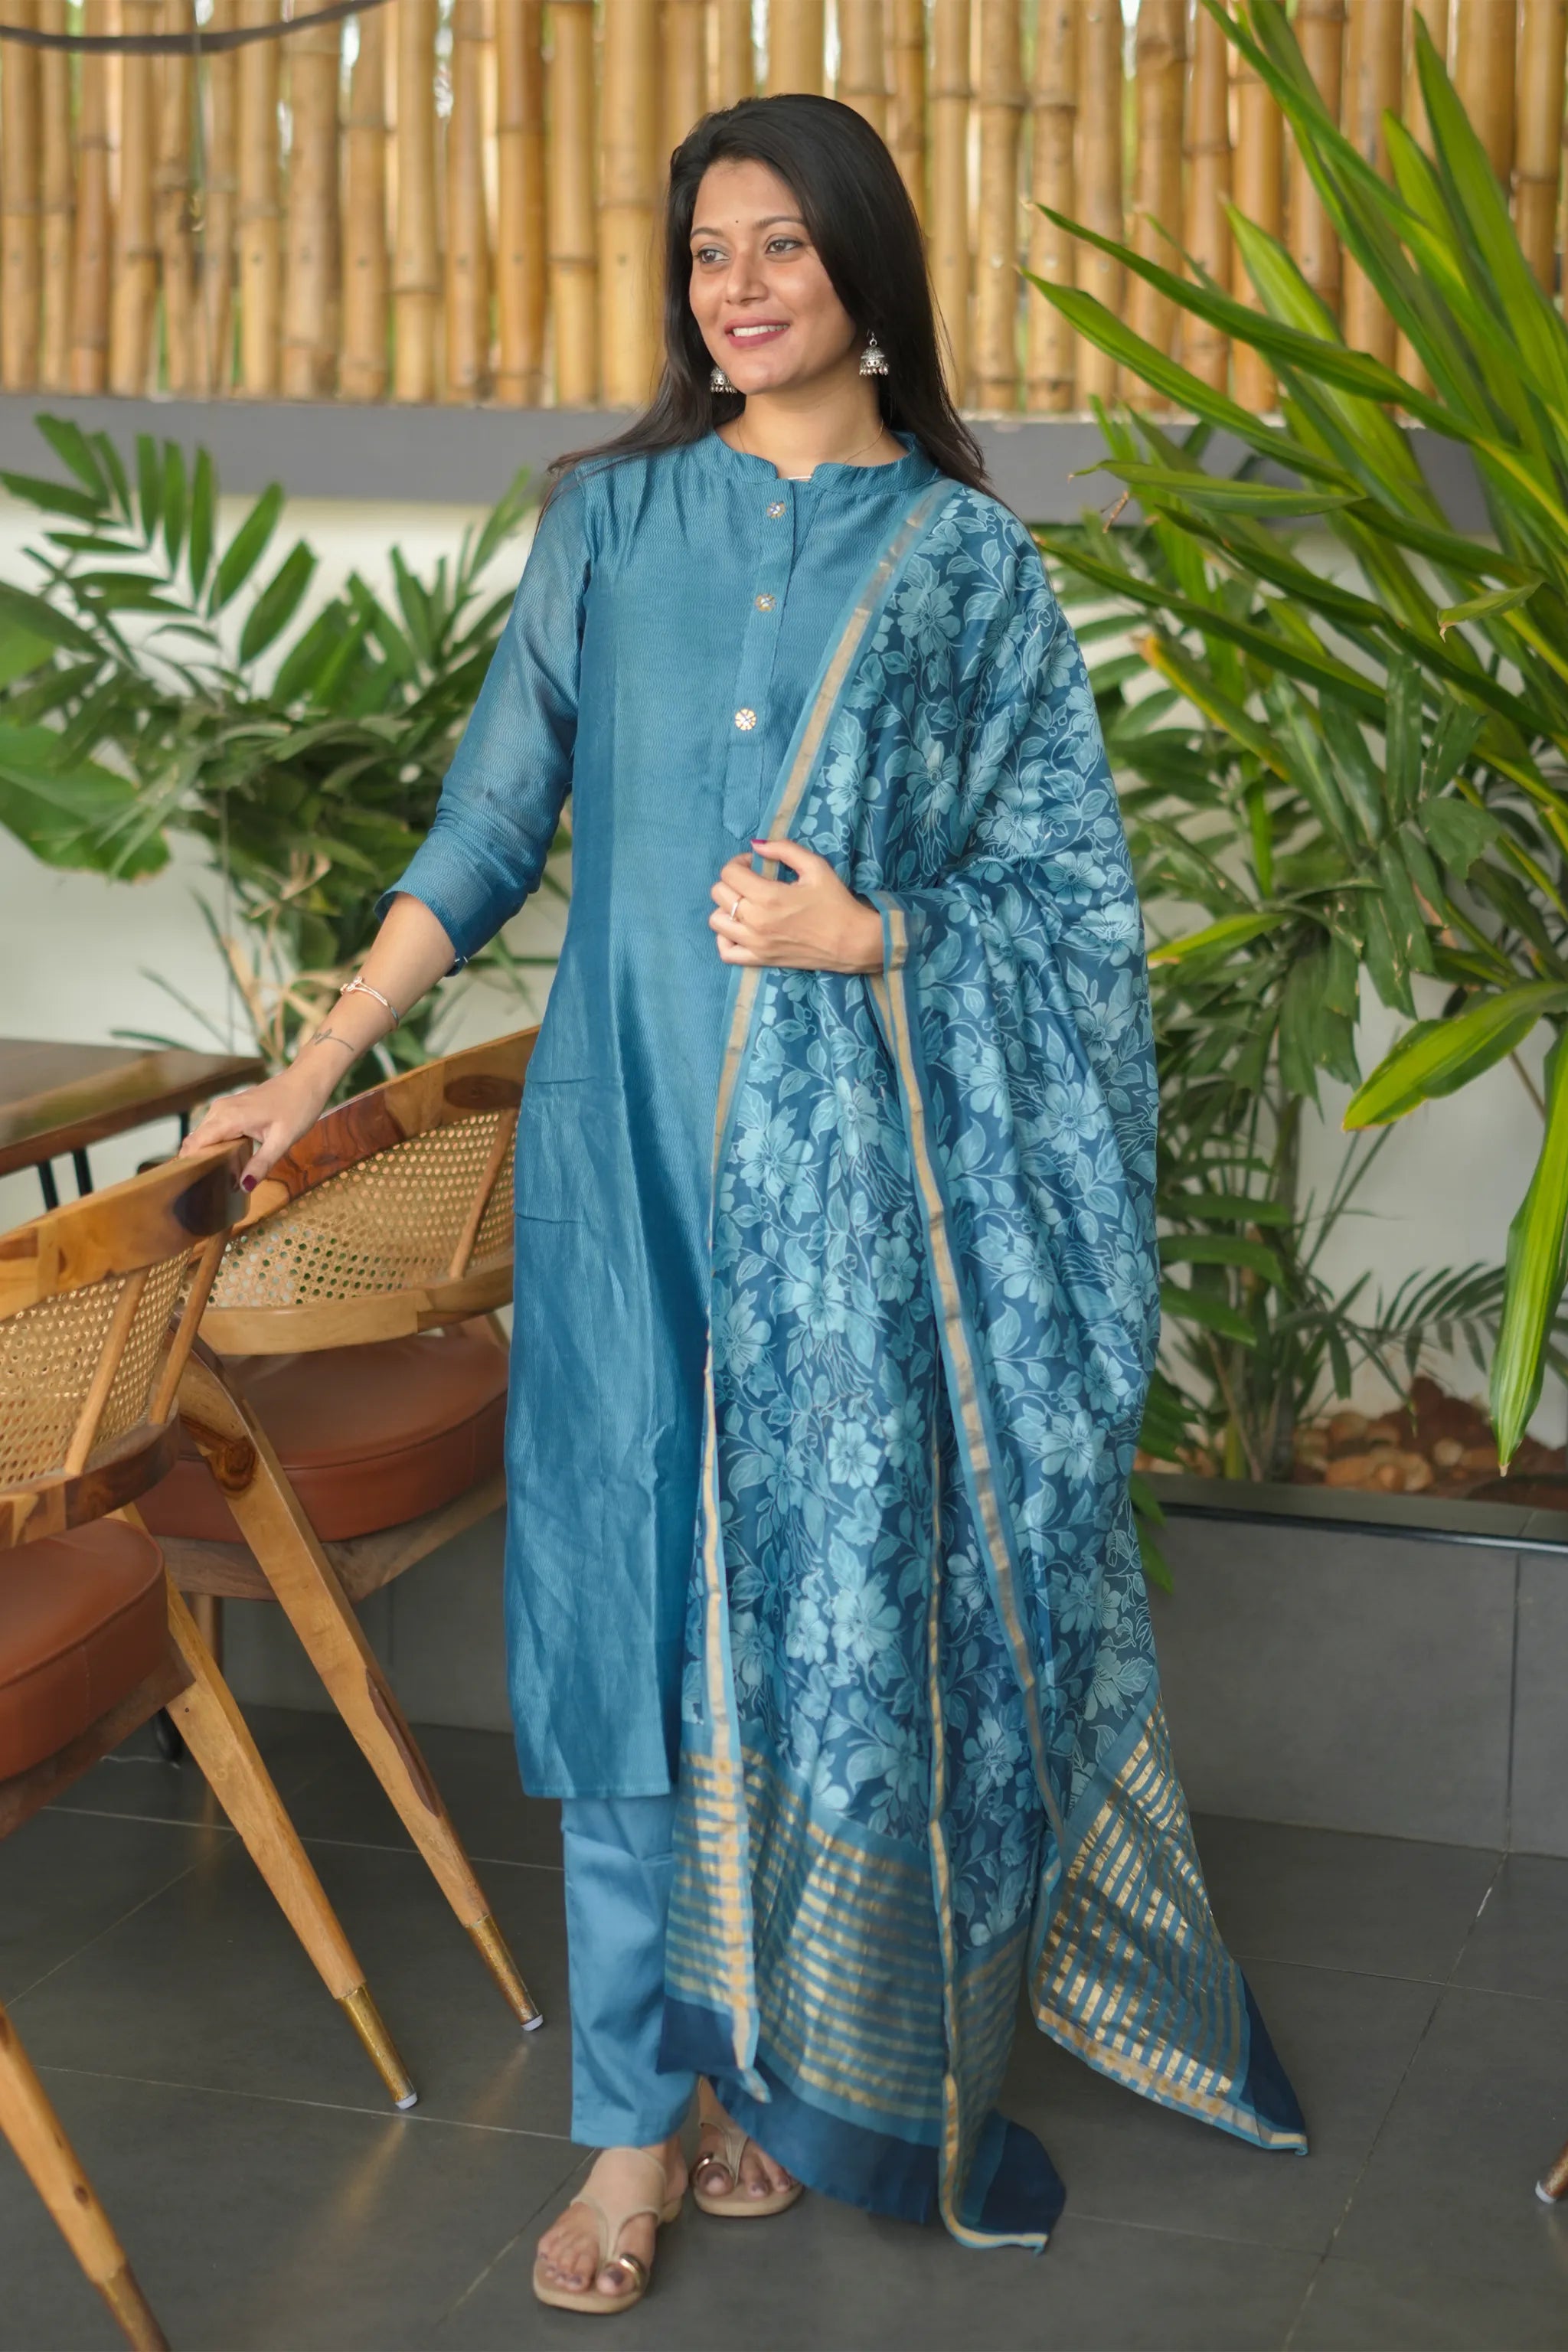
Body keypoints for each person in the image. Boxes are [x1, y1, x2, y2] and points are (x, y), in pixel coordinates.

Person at [183, 92, 1306, 2318]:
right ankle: (631, 2125)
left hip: (849, 1219)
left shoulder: (971, 567)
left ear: (865, 273)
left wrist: (877, 939)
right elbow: (490, 821)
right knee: (616, 1628)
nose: (737, 287)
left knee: (802, 1634)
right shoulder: (610, 526)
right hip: (622, 1182)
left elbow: (1073, 912)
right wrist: (311, 1068)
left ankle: (768, 2075)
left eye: (778, 245)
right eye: (707, 252)